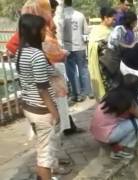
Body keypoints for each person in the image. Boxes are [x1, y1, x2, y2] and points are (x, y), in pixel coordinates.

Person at [6, 0, 81, 136]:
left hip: (46, 72)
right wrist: (43, 57)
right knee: (51, 107)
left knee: (57, 103)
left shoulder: (38, 26)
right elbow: (13, 46)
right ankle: (57, 130)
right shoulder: (35, 28)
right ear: (42, 10)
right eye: (50, 10)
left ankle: (65, 127)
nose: (51, 14)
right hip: (43, 76)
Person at [16, 14, 59, 180]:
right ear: (34, 31)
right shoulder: (36, 55)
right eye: (43, 29)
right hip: (42, 110)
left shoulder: (21, 52)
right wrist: (53, 111)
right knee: (45, 155)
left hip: (30, 107)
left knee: (42, 147)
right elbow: (42, 88)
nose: (45, 32)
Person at [63, 0, 92, 102]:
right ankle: (88, 92)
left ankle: (78, 94)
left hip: (67, 48)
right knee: (83, 69)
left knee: (72, 72)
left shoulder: (61, 17)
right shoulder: (80, 15)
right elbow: (86, 31)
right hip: (80, 46)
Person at [101, 11, 138, 89]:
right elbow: (113, 41)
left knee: (120, 85)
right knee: (116, 86)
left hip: (118, 62)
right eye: (136, 21)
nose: (136, 23)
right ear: (132, 21)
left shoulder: (129, 31)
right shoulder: (120, 28)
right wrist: (128, 46)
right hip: (112, 62)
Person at [88, 7, 116, 101]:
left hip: (112, 66)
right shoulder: (97, 31)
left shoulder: (111, 30)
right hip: (103, 67)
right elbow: (94, 46)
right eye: (113, 19)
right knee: (106, 90)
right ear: (105, 18)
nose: (114, 21)